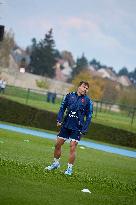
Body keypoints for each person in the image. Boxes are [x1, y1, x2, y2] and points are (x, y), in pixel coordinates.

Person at [45, 81, 93, 175]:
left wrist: (85, 128)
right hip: (66, 125)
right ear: (79, 87)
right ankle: (55, 163)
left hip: (77, 127)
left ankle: (69, 169)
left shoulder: (88, 101)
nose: (85, 89)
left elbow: (89, 116)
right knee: (57, 144)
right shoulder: (69, 96)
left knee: (72, 147)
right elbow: (62, 108)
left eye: (87, 88)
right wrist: (59, 119)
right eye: (84, 87)